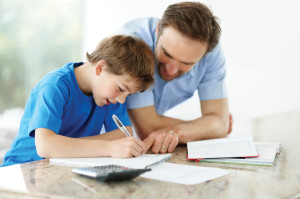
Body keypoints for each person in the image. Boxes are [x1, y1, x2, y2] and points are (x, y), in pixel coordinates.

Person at [1, 35, 154, 167]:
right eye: (121, 88)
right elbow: (45, 146)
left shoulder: (110, 97)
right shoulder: (54, 87)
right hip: (21, 171)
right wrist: (109, 147)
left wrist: (65, 145)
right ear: (101, 68)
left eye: (129, 94)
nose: (121, 99)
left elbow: (122, 135)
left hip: (63, 169)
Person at [117, 2, 233, 154]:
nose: (170, 70)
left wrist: (176, 133)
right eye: (167, 54)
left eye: (186, 63)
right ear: (158, 29)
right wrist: (207, 128)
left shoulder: (211, 53)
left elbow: (220, 124)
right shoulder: (132, 45)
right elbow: (148, 128)